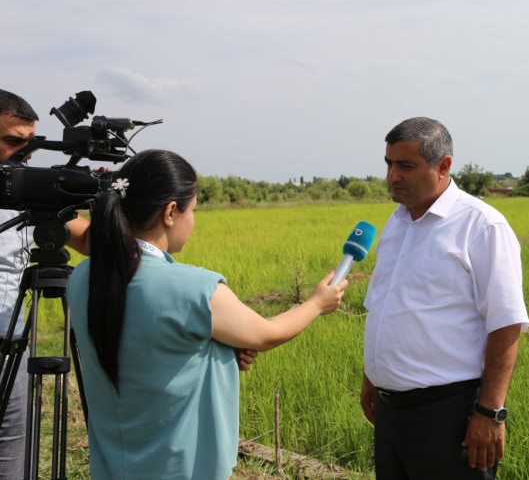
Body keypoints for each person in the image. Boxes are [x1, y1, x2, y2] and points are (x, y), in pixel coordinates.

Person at [65, 149, 348, 480]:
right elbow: (267, 334)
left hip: (113, 466)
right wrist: (316, 304)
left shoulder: (84, 277)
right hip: (180, 468)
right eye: (194, 210)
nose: (194, 221)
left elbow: (145, 346)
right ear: (171, 211)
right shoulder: (194, 287)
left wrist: (218, 352)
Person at [359, 117, 529, 479]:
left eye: (405, 165)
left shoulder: (481, 225)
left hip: (450, 416)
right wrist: (372, 376)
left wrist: (490, 412)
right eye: (389, 164)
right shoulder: (396, 223)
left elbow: (506, 322)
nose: (392, 176)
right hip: (391, 414)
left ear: (443, 166)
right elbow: (385, 307)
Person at [0, 89, 92, 479]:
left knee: (12, 467)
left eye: (31, 144)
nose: (25, 154)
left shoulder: (26, 193)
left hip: (11, 352)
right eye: (12, 142)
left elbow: (89, 240)